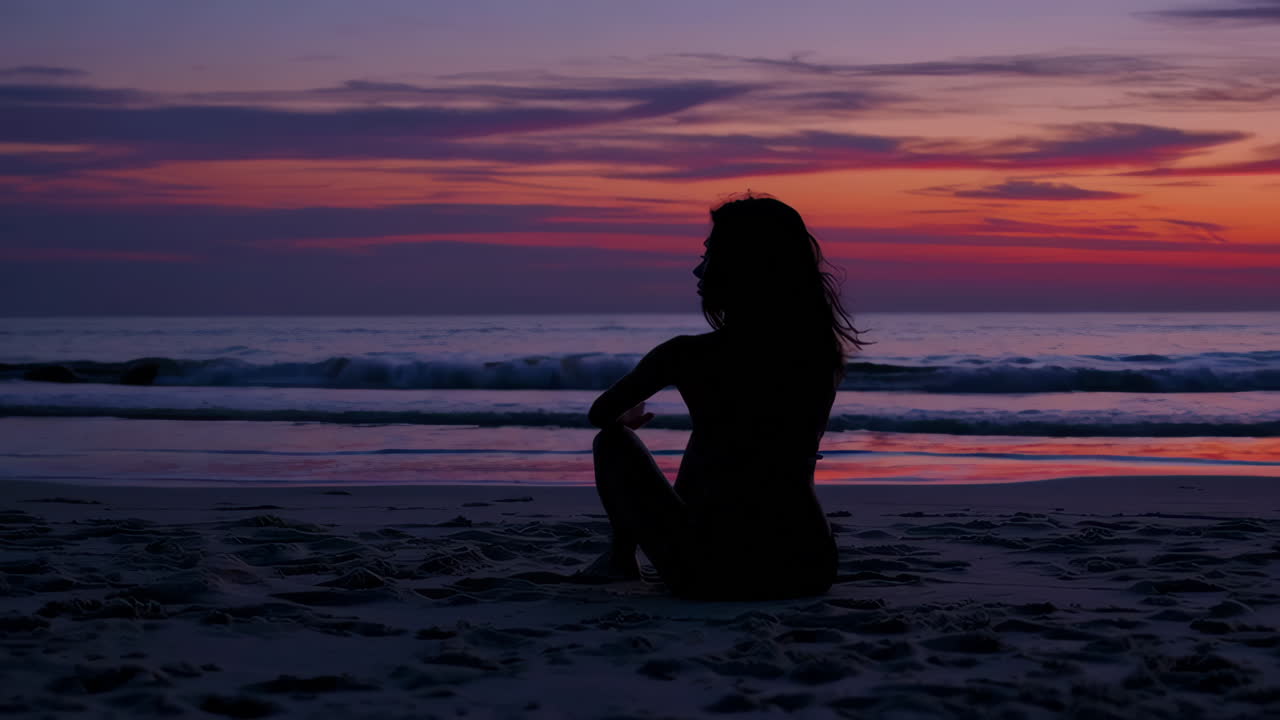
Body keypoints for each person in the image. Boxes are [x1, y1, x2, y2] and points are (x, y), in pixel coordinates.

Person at [587, 194, 864, 600]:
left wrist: (624, 422)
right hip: (809, 565)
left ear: (740, 265)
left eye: (710, 253)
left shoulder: (685, 354)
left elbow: (601, 414)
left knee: (612, 440)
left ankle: (619, 557)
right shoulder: (819, 352)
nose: (698, 269)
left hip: (712, 567)